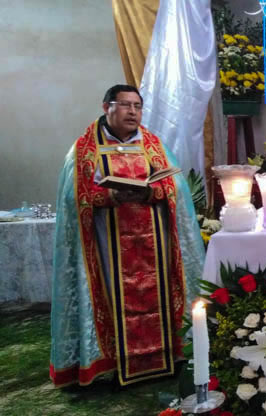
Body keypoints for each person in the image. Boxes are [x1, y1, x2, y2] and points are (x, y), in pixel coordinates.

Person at [50, 85, 205, 387]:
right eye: (125, 105)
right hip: (108, 245)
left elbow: (175, 187)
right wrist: (109, 196)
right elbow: (73, 198)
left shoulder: (153, 145)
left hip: (154, 244)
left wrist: (151, 191)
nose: (133, 112)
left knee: (159, 297)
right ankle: (114, 361)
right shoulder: (84, 149)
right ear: (106, 107)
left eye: (137, 106)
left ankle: (165, 355)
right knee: (114, 300)